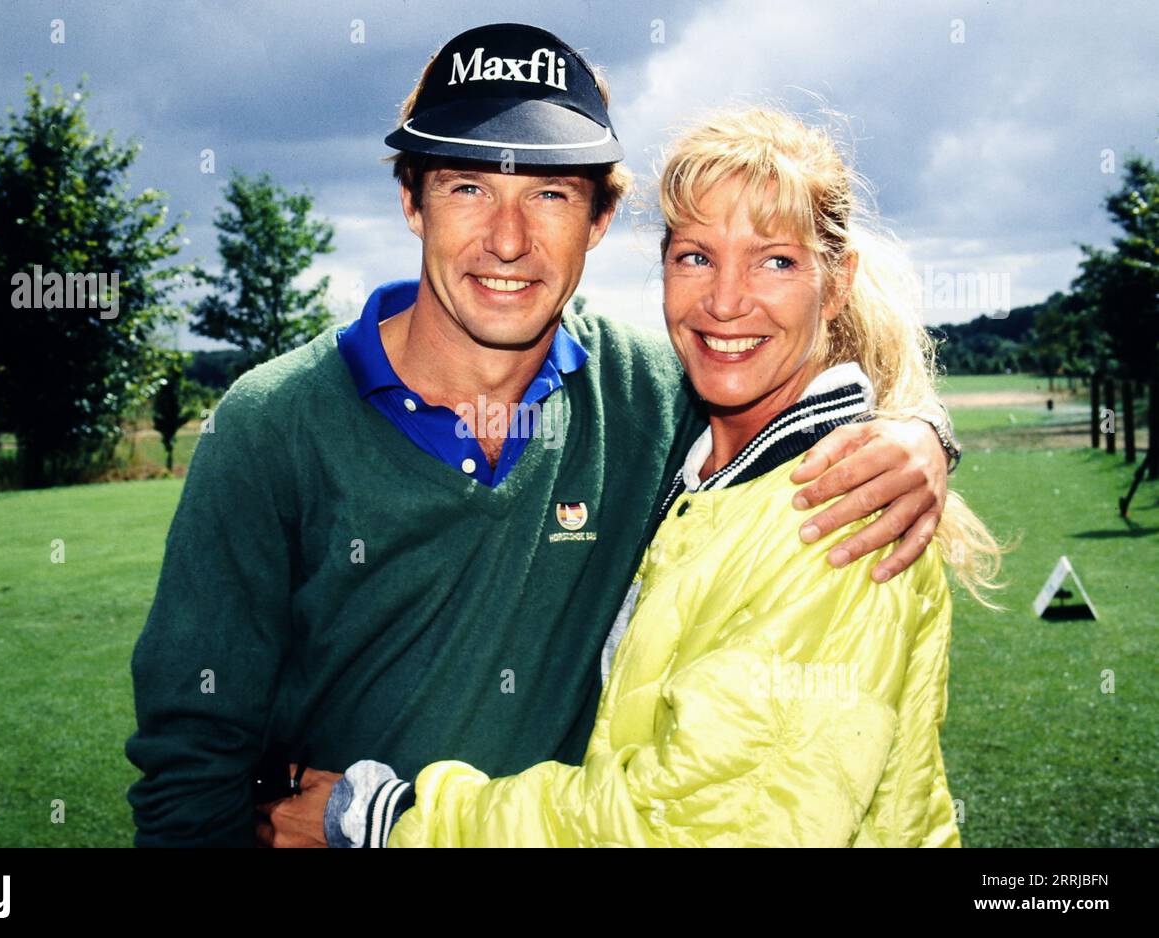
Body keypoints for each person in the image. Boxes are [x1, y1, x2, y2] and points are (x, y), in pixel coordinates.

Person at [124, 23, 957, 848]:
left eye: (550, 194)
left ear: (599, 220)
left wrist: (917, 432)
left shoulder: (653, 396)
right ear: (411, 199)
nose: (509, 240)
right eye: (468, 187)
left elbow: (780, 407)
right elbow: (191, 765)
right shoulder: (272, 423)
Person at [302, 106, 1003, 848]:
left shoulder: (839, 508)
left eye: (775, 261)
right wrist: (924, 428)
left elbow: (694, 830)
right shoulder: (702, 454)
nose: (726, 301)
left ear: (835, 285)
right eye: (695, 257)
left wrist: (391, 820)